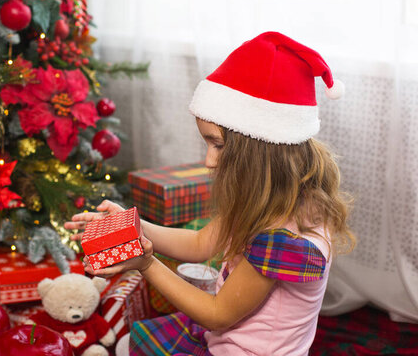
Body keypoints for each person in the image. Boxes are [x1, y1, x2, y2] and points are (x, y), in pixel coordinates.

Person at [64, 32, 355, 356]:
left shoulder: (287, 238)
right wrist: (132, 225)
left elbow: (217, 315)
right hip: (222, 337)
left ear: (261, 150)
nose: (209, 160)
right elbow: (201, 243)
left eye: (218, 144)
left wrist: (146, 264)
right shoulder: (268, 199)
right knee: (128, 344)